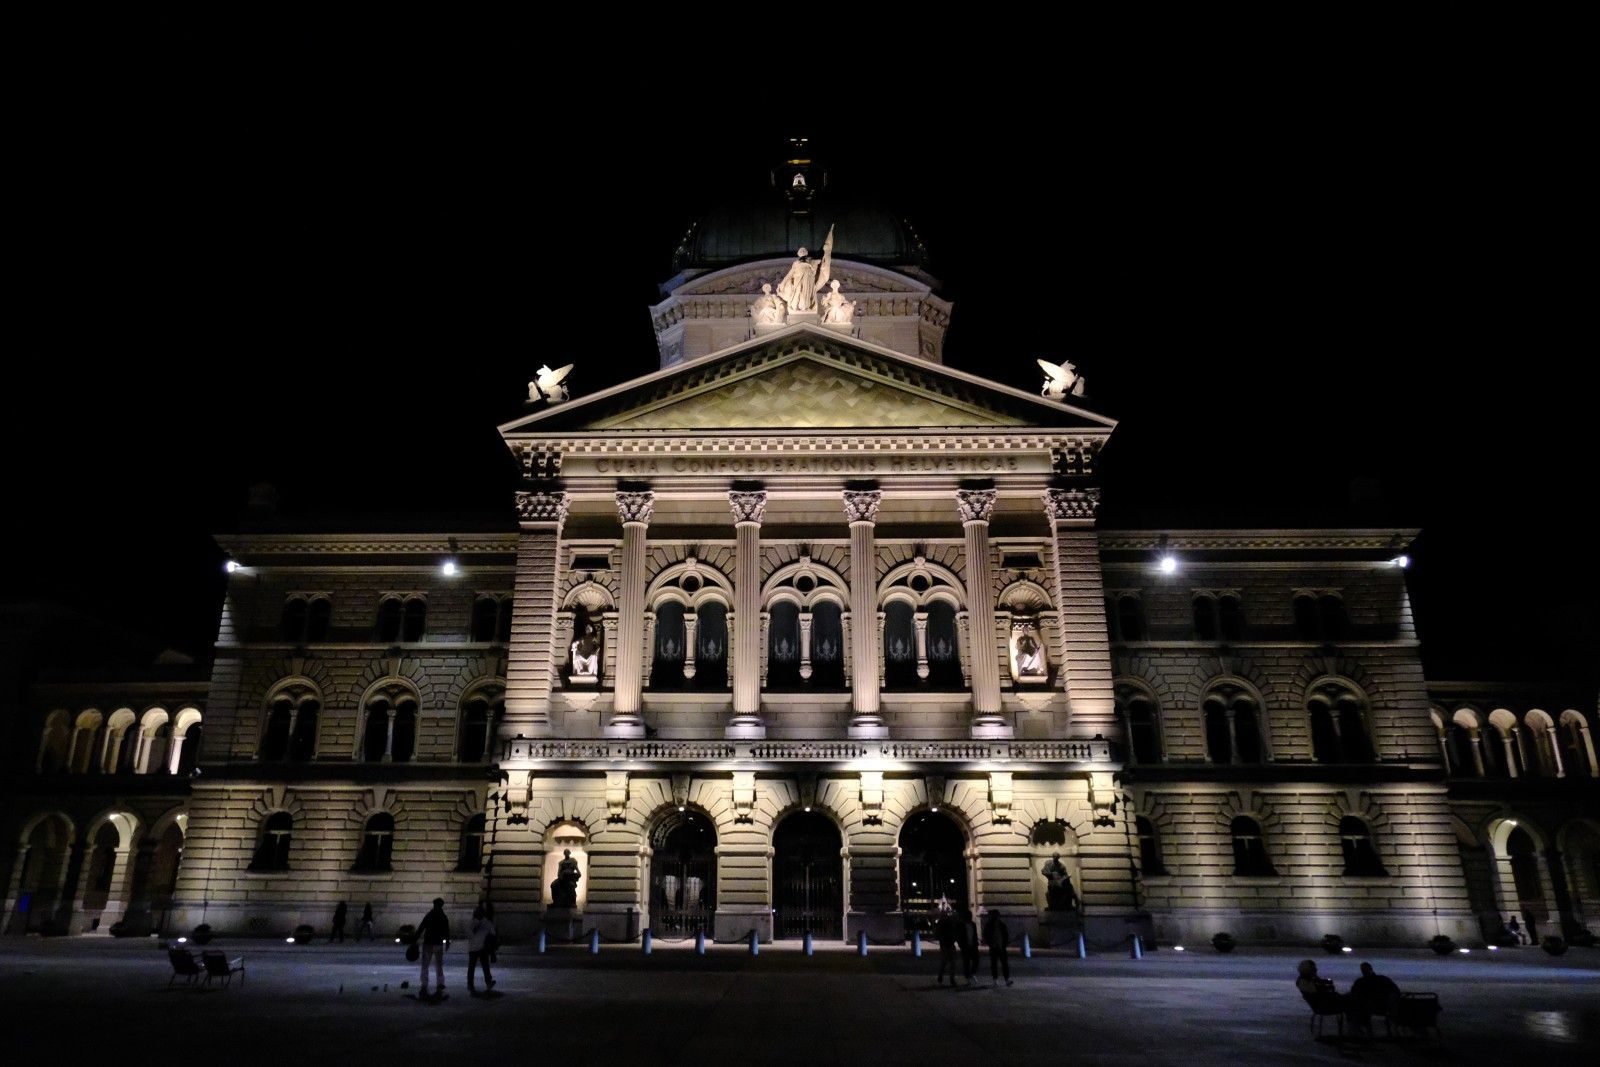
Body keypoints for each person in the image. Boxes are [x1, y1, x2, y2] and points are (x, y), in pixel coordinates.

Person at [416, 897, 450, 999]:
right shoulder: (443, 916)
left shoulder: (430, 915)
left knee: (425, 965)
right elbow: (447, 931)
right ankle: (440, 983)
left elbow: (421, 927)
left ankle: (424, 984)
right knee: (439, 965)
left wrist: (414, 939)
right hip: (438, 943)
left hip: (428, 943)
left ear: (434, 905)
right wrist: (447, 942)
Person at [467, 905, 497, 994]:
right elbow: (493, 934)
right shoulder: (486, 923)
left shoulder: (472, 922)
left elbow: (469, 933)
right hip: (481, 948)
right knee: (485, 966)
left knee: (472, 967)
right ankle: (488, 982)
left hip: (473, 948)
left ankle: (470, 984)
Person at [984, 909, 1012, 986]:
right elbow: (986, 935)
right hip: (994, 946)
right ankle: (996, 979)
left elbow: (1006, 935)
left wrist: (1004, 944)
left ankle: (1006, 979)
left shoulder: (1001, 925)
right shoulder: (989, 925)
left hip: (1001, 946)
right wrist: (990, 944)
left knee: (1004, 964)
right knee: (994, 964)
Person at [934, 909, 959, 987]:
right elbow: (954, 932)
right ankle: (951, 978)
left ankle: (941, 976)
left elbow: (937, 934)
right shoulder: (950, 922)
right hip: (949, 944)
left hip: (944, 944)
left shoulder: (941, 923)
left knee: (944, 962)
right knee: (952, 963)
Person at [959, 906, 980, 985]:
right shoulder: (961, 925)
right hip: (965, 946)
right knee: (966, 963)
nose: (970, 917)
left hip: (973, 945)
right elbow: (959, 936)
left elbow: (975, 934)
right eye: (969, 916)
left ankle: (972, 973)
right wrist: (961, 944)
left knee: (976, 960)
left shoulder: (973, 924)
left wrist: (976, 942)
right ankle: (968, 978)